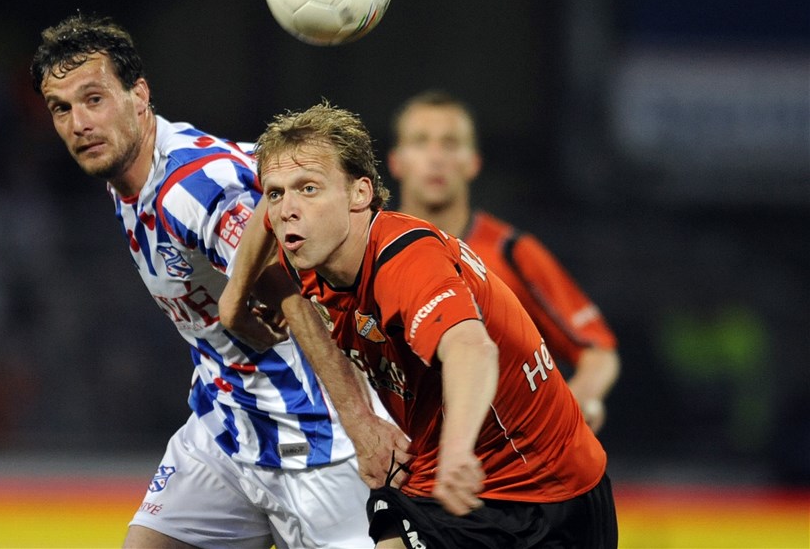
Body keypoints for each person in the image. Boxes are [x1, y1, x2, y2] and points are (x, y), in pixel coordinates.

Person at [30, 14, 408, 549]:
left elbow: (297, 295)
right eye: (61, 109)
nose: (79, 123)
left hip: (315, 441)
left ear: (139, 95)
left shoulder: (197, 187)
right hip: (224, 431)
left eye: (94, 99)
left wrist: (362, 422)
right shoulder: (126, 174)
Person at [227, 102, 617, 548]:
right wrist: (232, 303)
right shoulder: (311, 252)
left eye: (309, 188)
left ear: (360, 194)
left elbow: (472, 349)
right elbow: (264, 225)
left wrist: (456, 452)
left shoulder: (404, 259)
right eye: (276, 193)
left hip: (542, 490)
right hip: (439, 481)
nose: (287, 209)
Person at [387, 90, 620, 432]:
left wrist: (581, 399)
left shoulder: (511, 252)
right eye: (421, 142)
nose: (436, 157)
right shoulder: (366, 250)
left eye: (450, 143)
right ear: (396, 161)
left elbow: (598, 351)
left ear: (473, 162)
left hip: (498, 460)